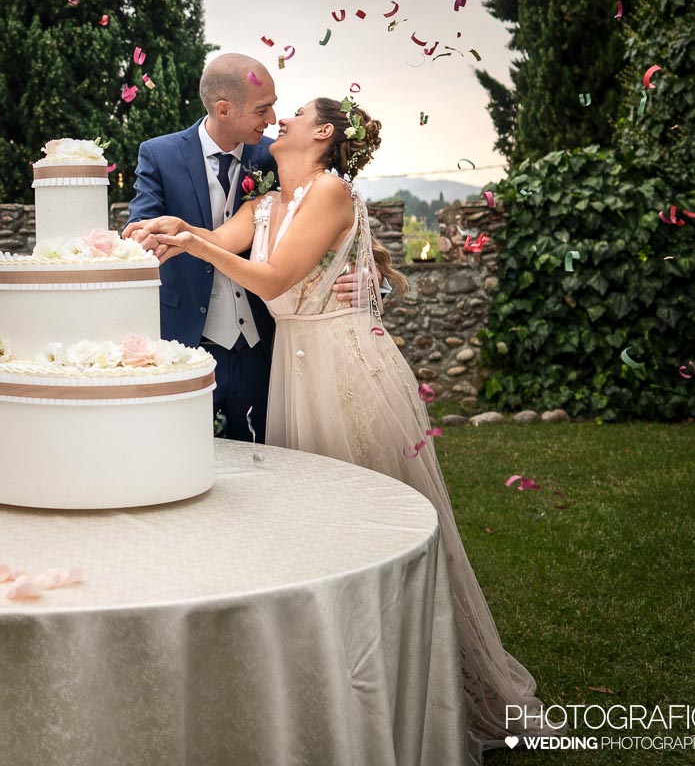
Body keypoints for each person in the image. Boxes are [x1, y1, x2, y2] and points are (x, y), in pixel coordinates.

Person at [125, 95, 552, 759]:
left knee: (375, 522)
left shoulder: (331, 192)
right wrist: (172, 228)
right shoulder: (265, 203)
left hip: (346, 365)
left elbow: (272, 279)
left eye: (294, 113)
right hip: (295, 370)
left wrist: (190, 245)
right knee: (314, 531)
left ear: (323, 132)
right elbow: (219, 238)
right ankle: (338, 684)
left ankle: (425, 681)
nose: (280, 120)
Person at [127, 53, 280, 441]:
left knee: (264, 456)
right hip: (186, 342)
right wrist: (141, 237)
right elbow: (141, 225)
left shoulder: (273, 156)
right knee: (178, 449)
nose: (272, 119)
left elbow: (315, 217)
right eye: (262, 109)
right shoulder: (159, 154)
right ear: (224, 109)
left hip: (260, 344)